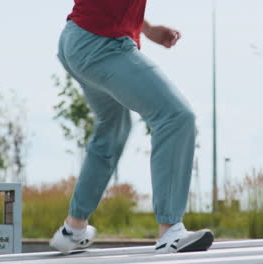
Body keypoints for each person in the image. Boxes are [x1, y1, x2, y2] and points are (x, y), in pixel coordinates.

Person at [49, 0, 214, 254]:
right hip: (101, 44)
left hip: (77, 40)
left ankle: (74, 228)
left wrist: (145, 28)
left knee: (113, 127)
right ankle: (170, 232)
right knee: (176, 116)